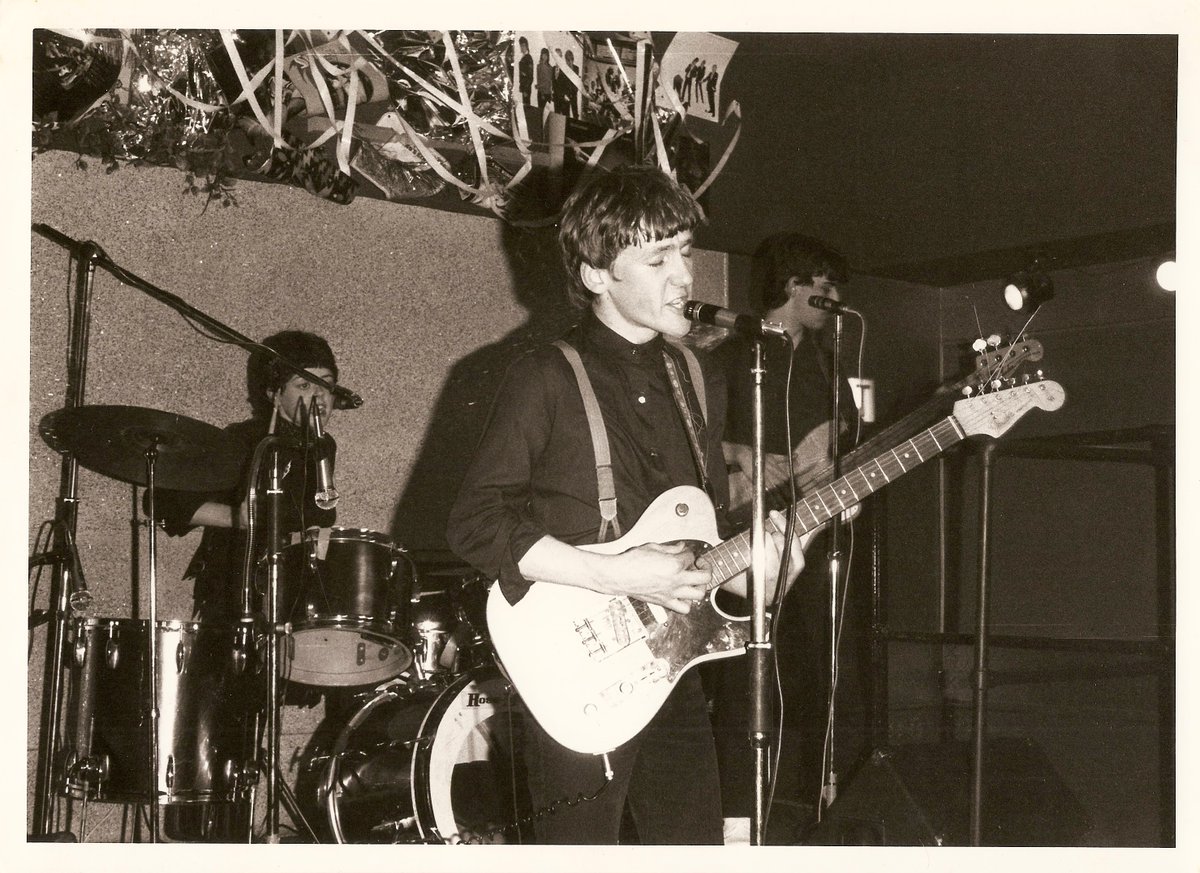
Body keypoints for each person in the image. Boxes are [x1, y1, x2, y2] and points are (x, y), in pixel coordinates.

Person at [446, 165, 806, 845]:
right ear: (595, 275)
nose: (684, 276)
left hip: (674, 666)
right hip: (578, 667)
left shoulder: (696, 373)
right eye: (658, 257)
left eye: (686, 252)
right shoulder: (545, 374)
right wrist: (621, 573)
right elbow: (474, 521)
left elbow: (699, 532)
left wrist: (752, 563)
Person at [708, 232, 857, 841]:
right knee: (742, 680)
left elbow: (835, 447)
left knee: (808, 673)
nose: (833, 294)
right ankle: (734, 819)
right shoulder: (727, 354)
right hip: (739, 539)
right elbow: (692, 443)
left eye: (834, 284)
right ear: (789, 285)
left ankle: (796, 813)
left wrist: (836, 473)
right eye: (819, 282)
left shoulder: (827, 361)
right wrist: (746, 462)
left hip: (808, 540)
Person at [152, 330, 340, 622]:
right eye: (304, 385)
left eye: (326, 386)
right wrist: (237, 518)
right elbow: (163, 502)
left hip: (294, 597)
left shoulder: (323, 446)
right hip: (234, 596)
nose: (319, 397)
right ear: (274, 394)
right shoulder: (244, 441)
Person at [536, 47, 554, 111]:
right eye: (543, 55)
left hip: (548, 93)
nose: (544, 57)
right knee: (540, 111)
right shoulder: (538, 66)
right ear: (541, 56)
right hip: (541, 93)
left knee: (547, 113)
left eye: (546, 55)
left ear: (548, 56)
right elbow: (538, 79)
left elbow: (549, 81)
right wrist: (540, 90)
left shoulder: (551, 68)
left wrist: (551, 94)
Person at [517, 37, 533, 106]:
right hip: (524, 86)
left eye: (523, 45)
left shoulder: (528, 58)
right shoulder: (524, 57)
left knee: (527, 106)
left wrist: (526, 89)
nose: (522, 47)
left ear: (527, 46)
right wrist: (521, 86)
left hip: (527, 87)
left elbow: (530, 76)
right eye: (521, 45)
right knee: (525, 105)